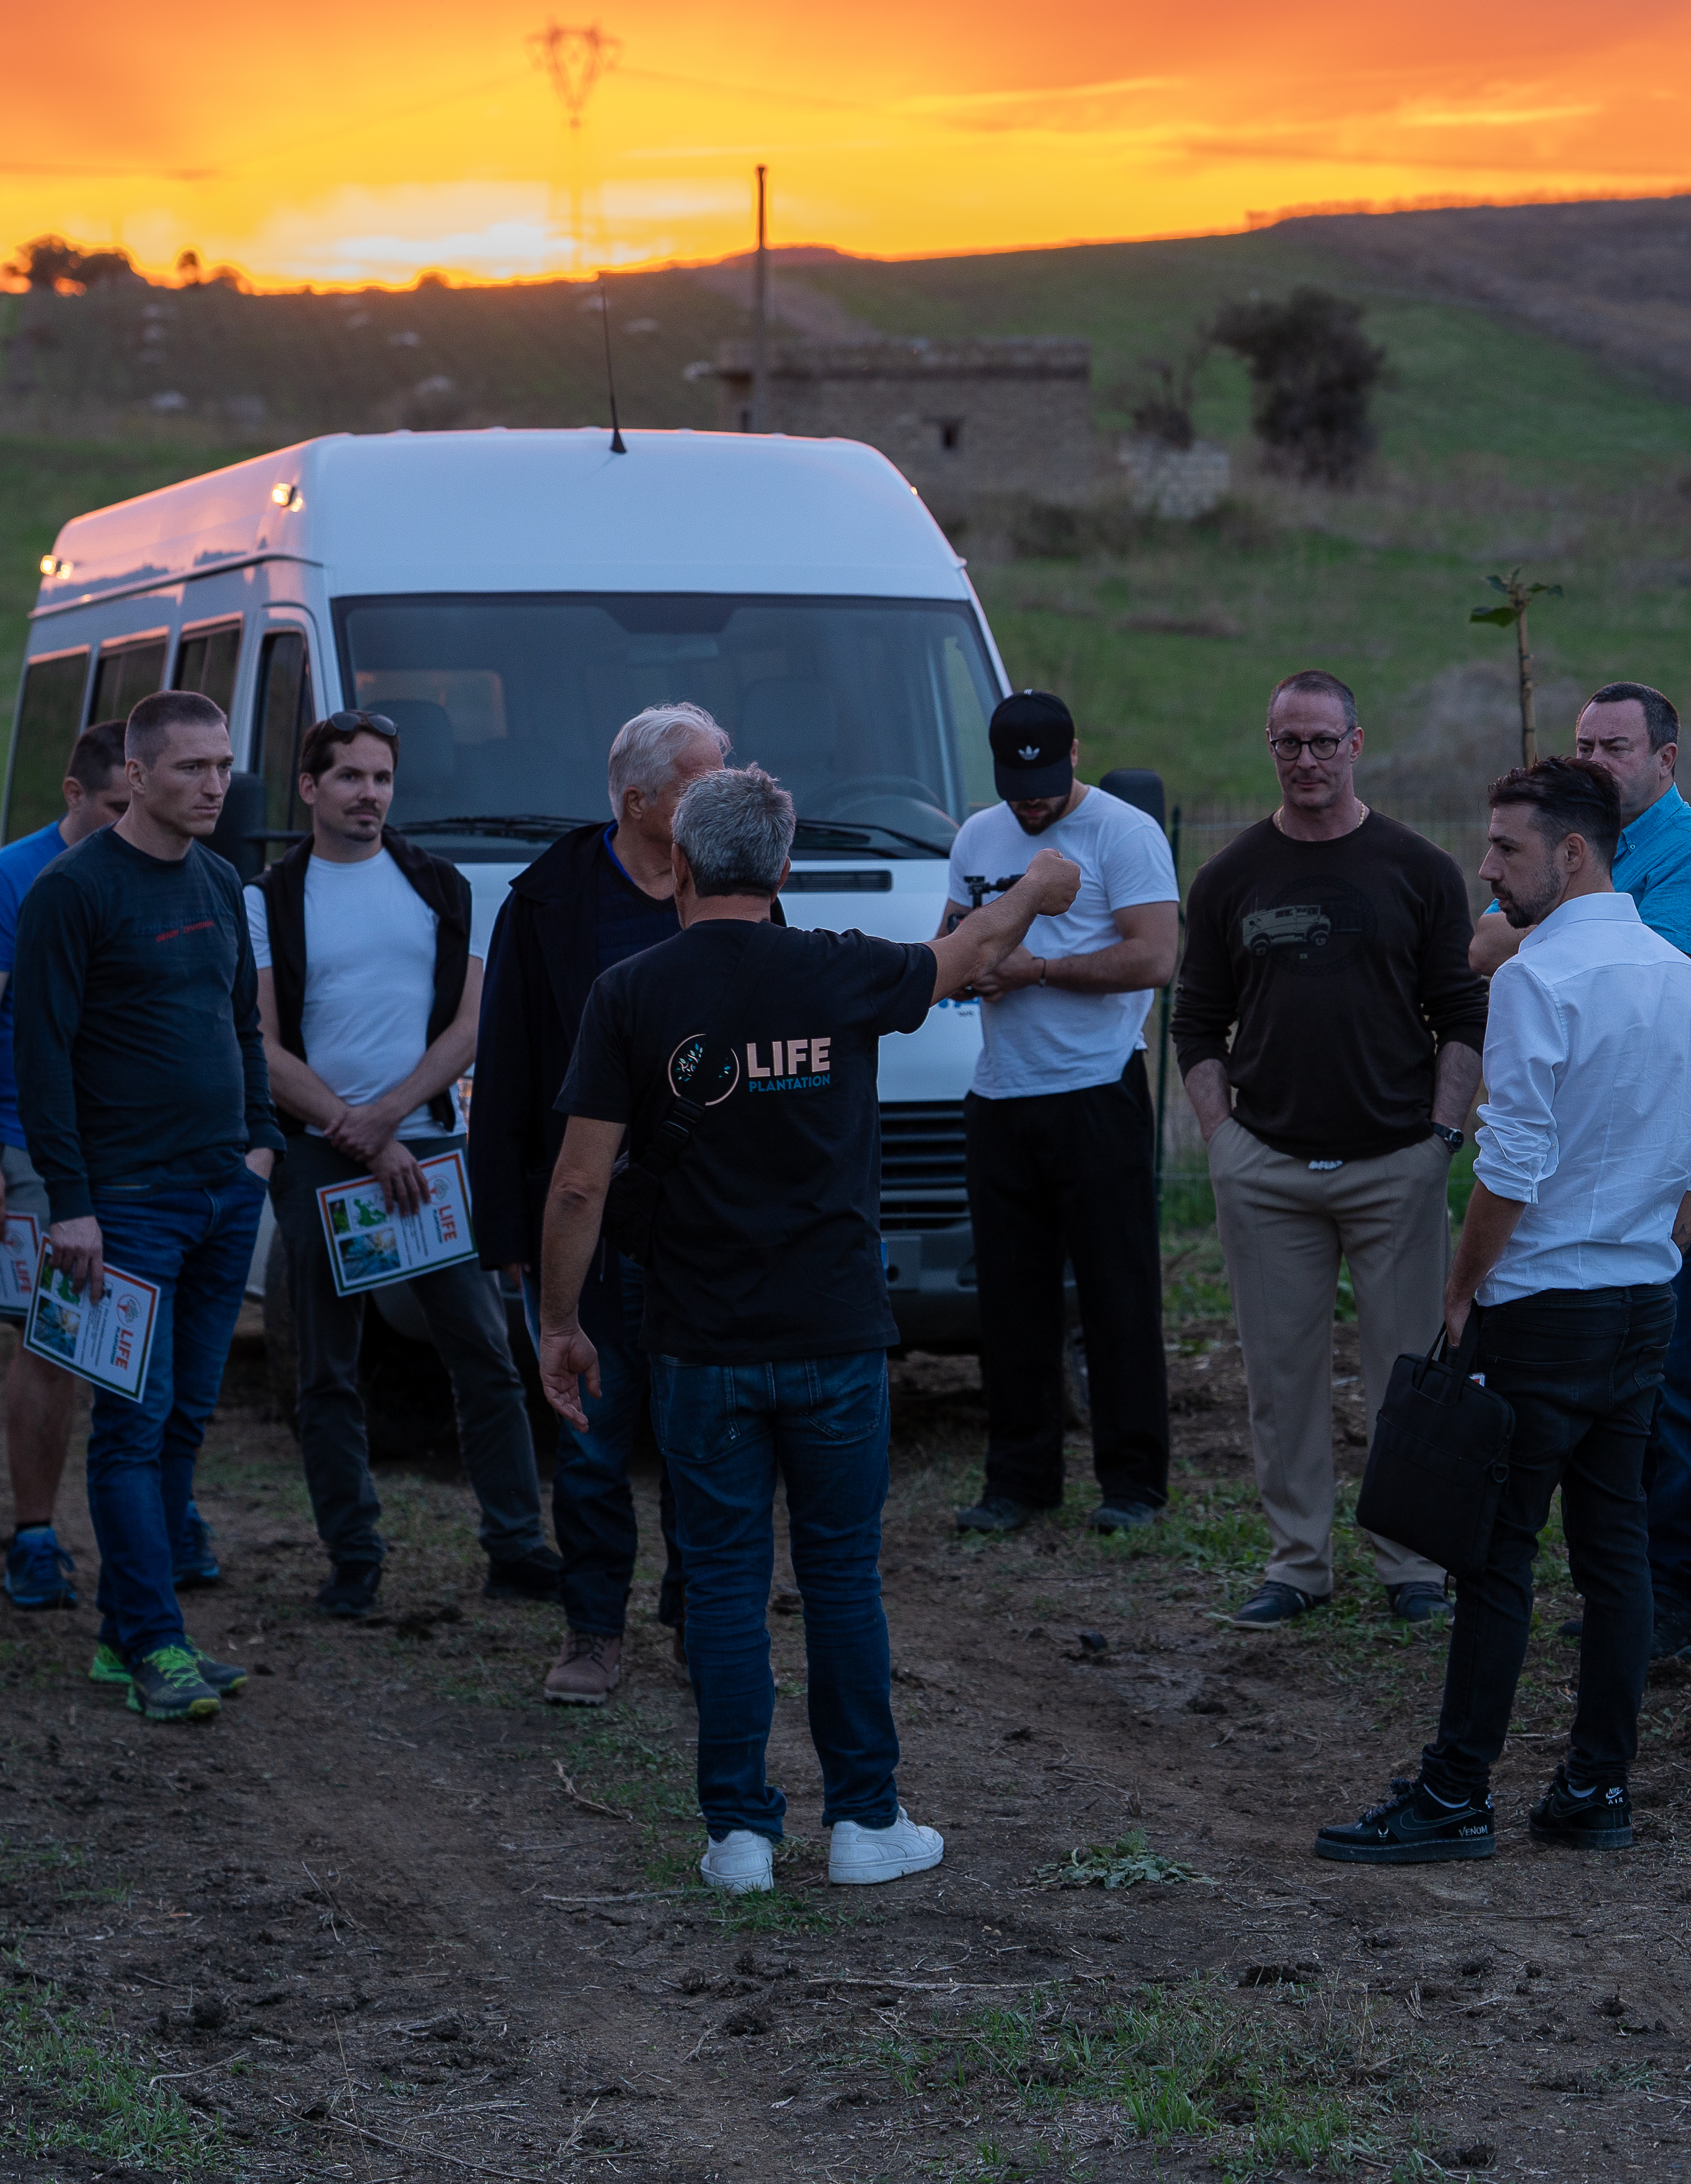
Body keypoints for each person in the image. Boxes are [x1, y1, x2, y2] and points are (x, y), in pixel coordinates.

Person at [533, 765, 1076, 1892]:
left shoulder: (628, 990)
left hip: (698, 1342)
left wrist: (560, 1322)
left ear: (678, 862)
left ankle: (740, 1834)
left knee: (725, 1581)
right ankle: (866, 1820)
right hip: (833, 1332)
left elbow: (580, 1186)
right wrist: (1039, 884)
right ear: (784, 867)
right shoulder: (840, 966)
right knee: (840, 1578)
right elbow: (968, 956)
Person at [1315, 759, 1691, 1868]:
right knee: (1615, 1549)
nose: (1486, 866)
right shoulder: (1684, 980)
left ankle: (1457, 1792)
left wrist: (1460, 1289)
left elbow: (1510, 1159)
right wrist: (1653, 1253)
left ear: (1572, 852)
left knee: (1496, 1555)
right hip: (1639, 1300)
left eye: (1505, 847)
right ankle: (1595, 1783)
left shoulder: (1537, 981)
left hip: (1542, 1303)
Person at [1170, 670, 1487, 1629]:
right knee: (1279, 1376)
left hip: (1396, 1160)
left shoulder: (1419, 869)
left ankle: (1412, 1566)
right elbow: (1196, 1020)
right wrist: (1222, 1139)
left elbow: (1461, 1011)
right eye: (1286, 743)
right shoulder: (1230, 875)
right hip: (1265, 1168)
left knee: (1408, 1376)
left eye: (1320, 741)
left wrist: (1441, 1133)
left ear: (1356, 744)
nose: (1303, 759)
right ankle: (1296, 1562)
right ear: (1268, 748)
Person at [1471, 682, 1691, 1662]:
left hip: (1686, 1159)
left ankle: (1674, 1595)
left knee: (1682, 1384)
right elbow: (1483, 940)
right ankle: (1620, 1588)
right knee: (1619, 1409)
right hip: (1601, 1156)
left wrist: (1537, 933)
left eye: (1616, 745)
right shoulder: (1565, 844)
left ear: (1666, 760)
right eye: (1584, 741)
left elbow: (1638, 983)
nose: (1595, 759)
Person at [251, 708, 554, 1616]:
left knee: (486, 1355)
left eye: (382, 779)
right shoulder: (266, 898)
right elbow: (259, 1044)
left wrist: (388, 1121)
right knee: (328, 1373)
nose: (369, 795)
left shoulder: (440, 885)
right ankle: (354, 1558)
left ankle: (517, 1545)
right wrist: (356, 1130)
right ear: (310, 787)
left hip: (424, 1152)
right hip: (319, 1157)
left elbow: (472, 1023)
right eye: (350, 777)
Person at [12, 689, 276, 1725]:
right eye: (189, 769)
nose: (214, 786)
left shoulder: (219, 877)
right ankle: (158, 1641)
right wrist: (70, 1204)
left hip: (223, 1191)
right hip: (125, 1205)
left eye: (222, 767)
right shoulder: (71, 893)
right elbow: (40, 1059)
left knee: (185, 1423)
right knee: (132, 1425)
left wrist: (259, 1145)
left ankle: (131, 1634)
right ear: (133, 775)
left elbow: (243, 1025)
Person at [468, 701, 727, 1707]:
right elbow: (510, 1068)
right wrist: (511, 1231)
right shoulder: (546, 904)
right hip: (589, 1219)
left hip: (704, 1218)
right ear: (635, 799)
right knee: (591, 1436)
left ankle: (696, 1616)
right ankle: (591, 1627)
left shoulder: (733, 886)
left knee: (706, 1430)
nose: (722, 792)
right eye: (701, 779)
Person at [943, 690, 1180, 1538]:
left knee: (1117, 1296)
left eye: (1042, 783)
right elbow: (956, 937)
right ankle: (1020, 1480)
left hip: (1097, 1091)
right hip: (1001, 1095)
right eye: (1015, 785)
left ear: (1074, 752)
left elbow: (1156, 956)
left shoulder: (1123, 833)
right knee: (1012, 1299)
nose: (1029, 801)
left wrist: (1037, 972)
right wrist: (966, 966)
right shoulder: (978, 836)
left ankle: (1133, 1485)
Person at [0, 720, 134, 1608]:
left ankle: (159, 1518)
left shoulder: (169, 872)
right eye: (116, 808)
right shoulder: (9, 879)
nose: (133, 822)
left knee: (144, 1339)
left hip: (139, 1145)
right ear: (75, 796)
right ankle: (34, 1532)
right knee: (53, 1338)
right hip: (32, 1141)